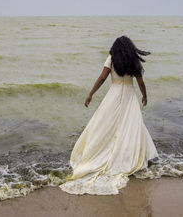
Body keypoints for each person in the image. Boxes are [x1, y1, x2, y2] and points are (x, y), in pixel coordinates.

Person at [59, 35, 159, 195]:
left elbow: (102, 78)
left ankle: (102, 153)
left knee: (104, 126)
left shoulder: (112, 59)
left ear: (116, 47)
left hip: (113, 93)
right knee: (131, 127)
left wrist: (91, 94)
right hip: (129, 95)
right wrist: (144, 96)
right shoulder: (134, 60)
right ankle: (128, 156)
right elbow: (140, 82)